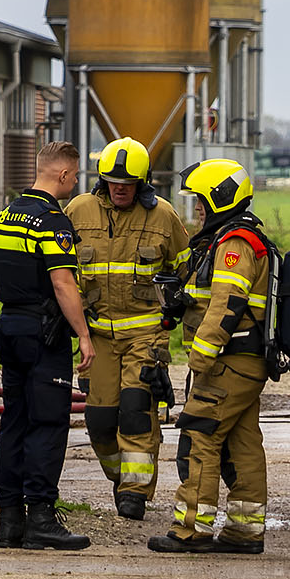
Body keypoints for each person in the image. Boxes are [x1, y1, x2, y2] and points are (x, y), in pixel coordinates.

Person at [150, 158, 272, 555]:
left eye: (201, 200)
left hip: (228, 361)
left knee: (200, 435)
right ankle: (244, 530)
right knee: (242, 441)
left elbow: (226, 304)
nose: (197, 208)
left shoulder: (236, 243)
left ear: (221, 197)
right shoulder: (229, 238)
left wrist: (200, 358)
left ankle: (191, 530)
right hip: (244, 361)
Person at [65, 136, 190, 520]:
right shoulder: (78, 210)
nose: (120, 190)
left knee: (136, 412)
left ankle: (135, 493)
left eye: (128, 184)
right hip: (97, 335)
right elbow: (59, 268)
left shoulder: (164, 216)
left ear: (143, 183)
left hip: (145, 335)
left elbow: (187, 269)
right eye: (113, 183)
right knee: (100, 422)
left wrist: (177, 308)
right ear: (102, 180)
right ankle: (121, 478)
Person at [0, 139, 94, 551]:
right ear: (64, 174)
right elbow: (62, 283)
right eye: (75, 175)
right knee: (48, 424)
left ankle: (10, 519)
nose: (75, 182)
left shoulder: (6, 215)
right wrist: (84, 335)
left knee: (14, 420)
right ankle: (42, 519)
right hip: (42, 334)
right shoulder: (53, 221)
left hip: (10, 327)